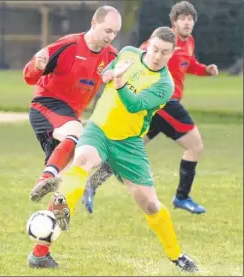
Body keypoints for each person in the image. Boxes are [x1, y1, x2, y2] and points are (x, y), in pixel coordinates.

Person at [30, 26, 199, 272]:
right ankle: (59, 208)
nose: (157, 56)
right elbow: (108, 72)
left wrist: (119, 82)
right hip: (99, 128)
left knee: (150, 205)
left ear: (171, 54)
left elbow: (135, 105)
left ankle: (177, 255)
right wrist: (110, 74)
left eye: (164, 52)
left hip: (129, 144)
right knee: (83, 160)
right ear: (147, 46)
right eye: (154, 49)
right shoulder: (129, 53)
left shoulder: (165, 85)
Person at [83, 1, 218, 214]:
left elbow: (188, 64)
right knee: (195, 146)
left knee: (123, 153)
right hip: (165, 103)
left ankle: (91, 184)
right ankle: (182, 197)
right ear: (174, 22)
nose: (187, 23)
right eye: (182, 19)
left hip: (151, 108)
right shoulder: (159, 45)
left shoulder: (188, 42)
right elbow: (140, 58)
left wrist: (205, 70)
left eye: (190, 19)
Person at [23, 5, 122, 268]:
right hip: (46, 106)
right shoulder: (67, 46)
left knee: (69, 186)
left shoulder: (112, 56)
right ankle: (45, 177)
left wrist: (117, 80)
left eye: (115, 32)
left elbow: (119, 87)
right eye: (107, 30)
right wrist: (37, 65)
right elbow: (28, 76)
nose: (110, 36)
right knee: (76, 134)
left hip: (69, 118)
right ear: (93, 23)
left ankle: (39, 254)